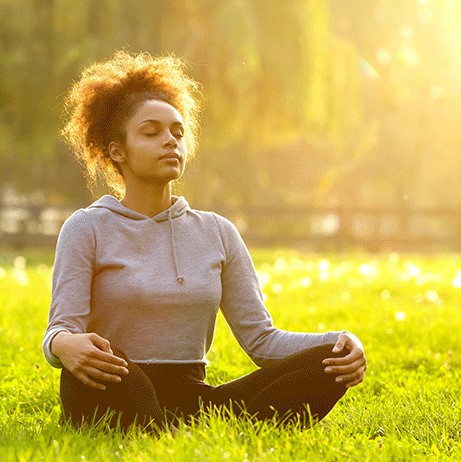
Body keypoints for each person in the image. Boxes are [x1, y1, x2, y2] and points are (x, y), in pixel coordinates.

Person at [43, 51, 366, 434]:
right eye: (152, 132)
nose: (170, 141)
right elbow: (60, 330)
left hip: (194, 399)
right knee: (109, 374)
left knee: (330, 362)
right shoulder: (86, 228)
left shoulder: (217, 232)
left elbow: (262, 340)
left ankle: (166, 428)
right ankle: (160, 426)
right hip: (114, 383)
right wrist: (65, 346)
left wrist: (342, 342)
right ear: (117, 151)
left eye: (177, 133)